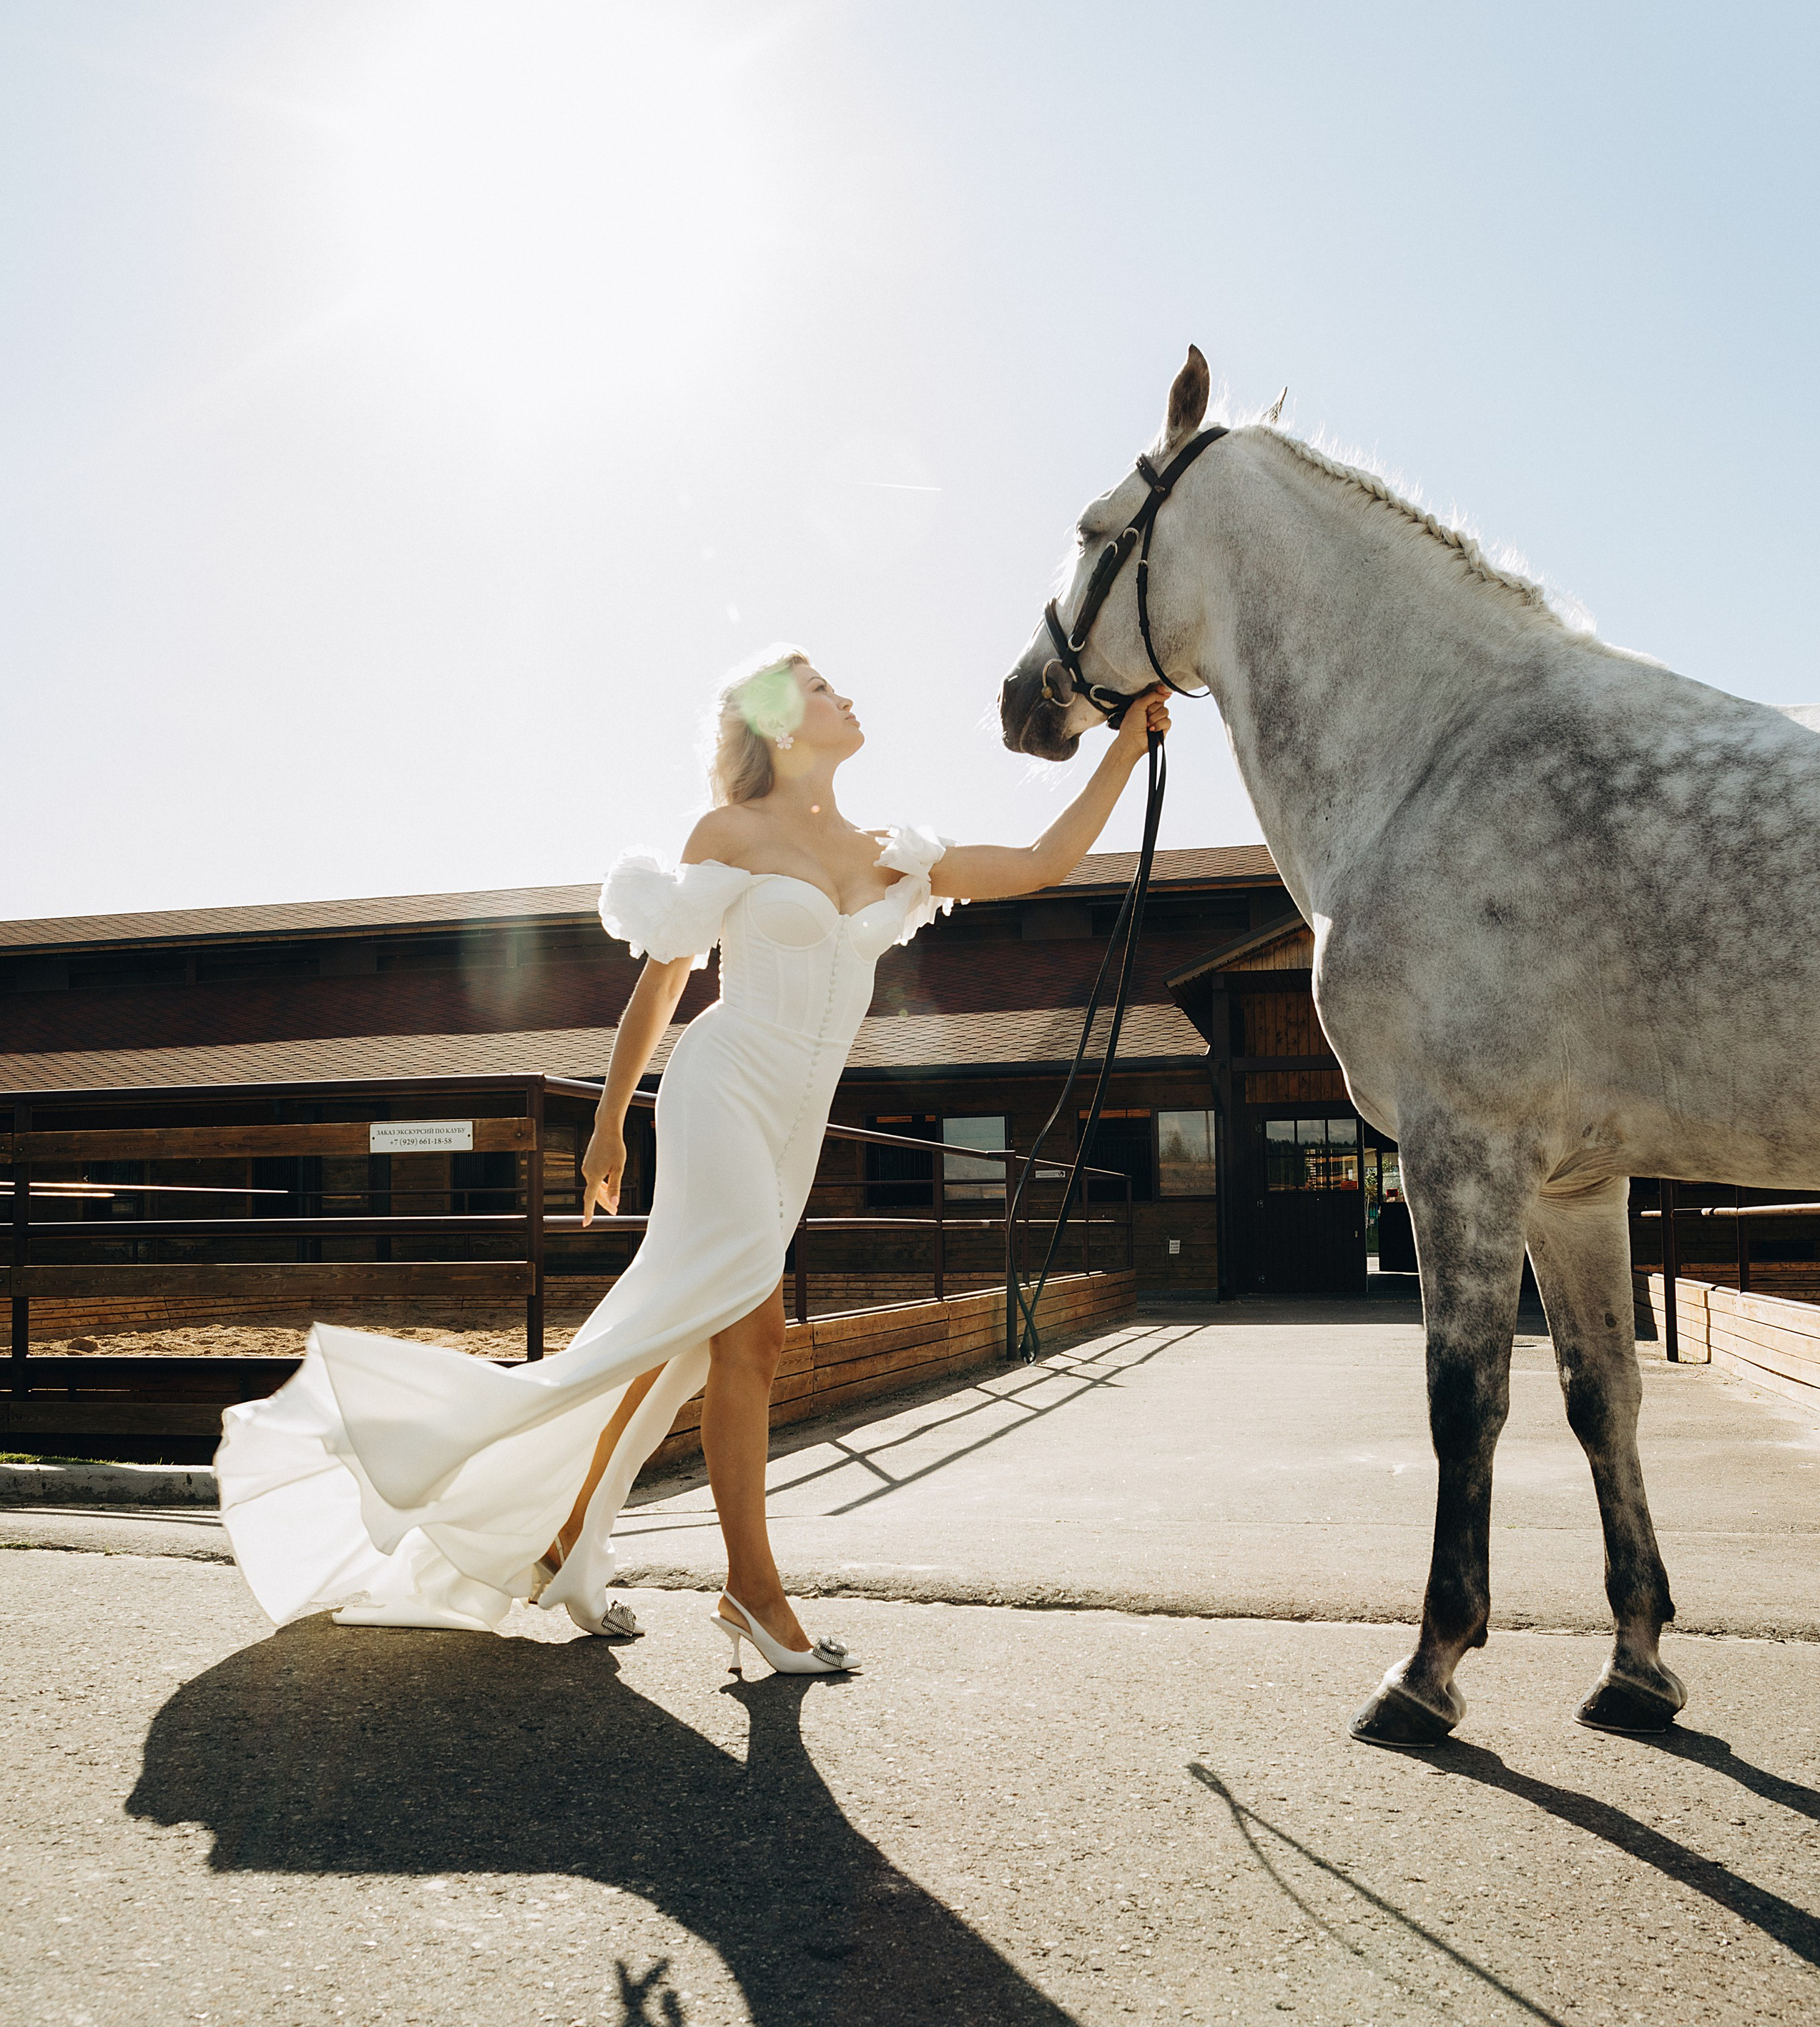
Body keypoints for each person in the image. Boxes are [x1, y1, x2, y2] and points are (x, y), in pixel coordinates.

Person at [215, 648, 1167, 1672]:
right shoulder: (731, 834)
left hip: (796, 1126)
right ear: (779, 724)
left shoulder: (894, 853)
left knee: (672, 1333)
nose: (845, 693)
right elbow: (665, 984)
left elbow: (1043, 862)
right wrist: (609, 1122)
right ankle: (753, 1591)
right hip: (721, 1091)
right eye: (820, 686)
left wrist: (1123, 747)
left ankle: (564, 1526)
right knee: (754, 1333)